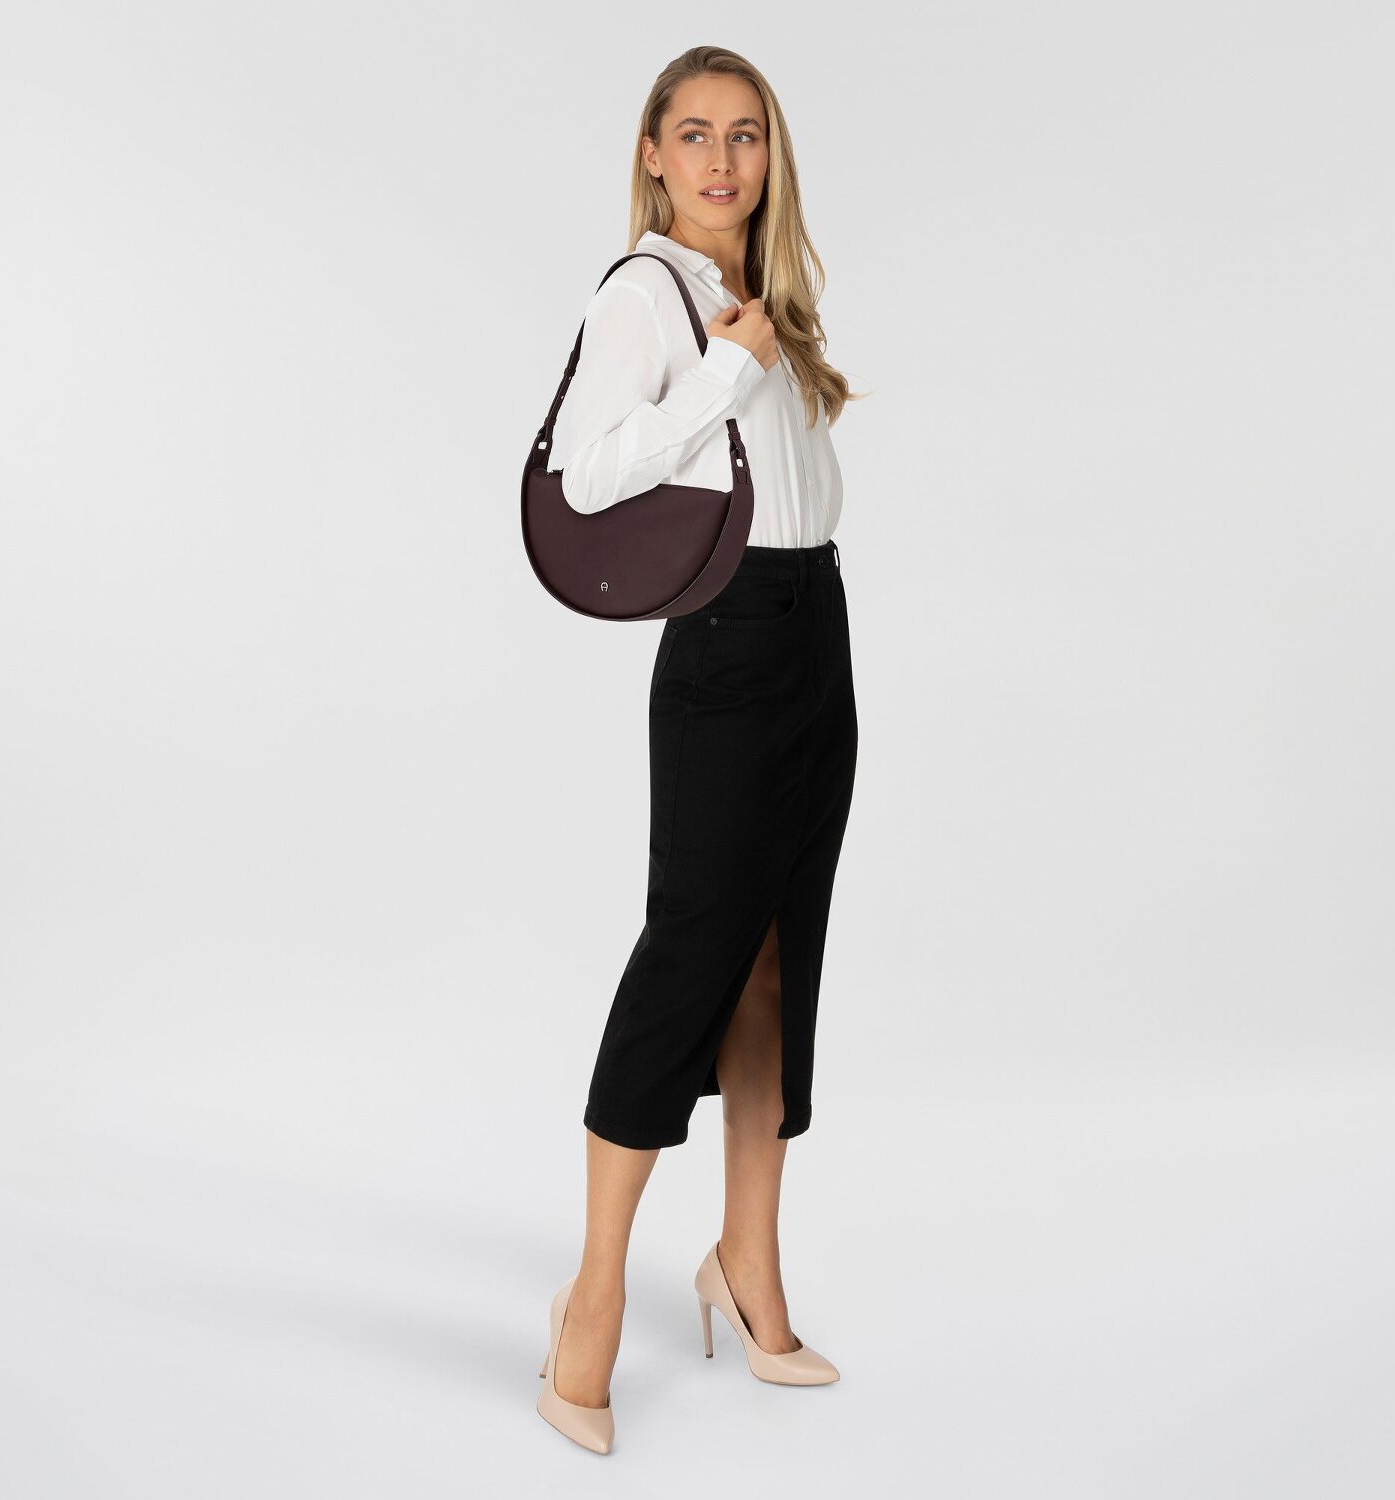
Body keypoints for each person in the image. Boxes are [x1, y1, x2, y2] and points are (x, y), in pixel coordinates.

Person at [533, 45, 865, 1455]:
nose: (722, 160)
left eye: (745, 135)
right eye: (694, 134)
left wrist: (758, 352)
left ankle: (748, 1266)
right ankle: (595, 1297)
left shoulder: (764, 300)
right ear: (653, 155)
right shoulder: (645, 293)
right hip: (726, 646)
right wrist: (727, 374)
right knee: (690, 953)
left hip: (815, 630)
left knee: (782, 956)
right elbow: (585, 471)